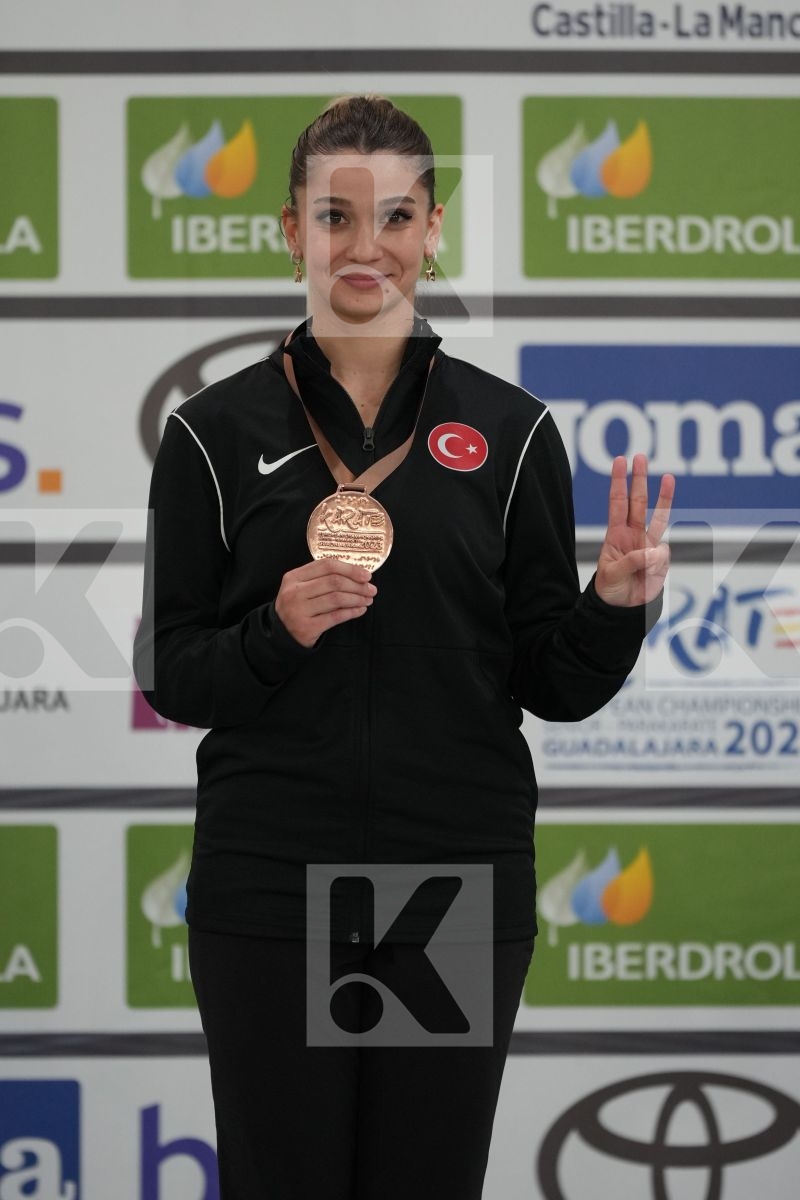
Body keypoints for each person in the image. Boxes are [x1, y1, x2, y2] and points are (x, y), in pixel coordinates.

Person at [133, 94, 674, 1200]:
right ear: (291, 233)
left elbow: (544, 682)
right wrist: (272, 634)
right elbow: (173, 671)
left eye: (393, 217)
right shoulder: (211, 431)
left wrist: (612, 606)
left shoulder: (512, 431)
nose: (362, 245)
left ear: (433, 231)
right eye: (333, 215)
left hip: (449, 881)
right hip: (272, 880)